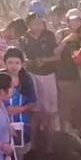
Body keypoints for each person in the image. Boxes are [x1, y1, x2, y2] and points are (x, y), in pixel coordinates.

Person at [19, 12, 58, 152]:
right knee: (34, 111)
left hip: (49, 75)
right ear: (28, 24)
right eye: (35, 23)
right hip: (32, 76)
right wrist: (31, 62)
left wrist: (44, 60)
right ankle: (32, 144)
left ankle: (50, 145)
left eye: (41, 23)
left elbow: (57, 56)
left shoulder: (49, 35)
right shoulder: (23, 39)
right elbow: (22, 59)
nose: (39, 26)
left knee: (50, 112)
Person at [55, 8, 81, 136]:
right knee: (65, 104)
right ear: (67, 21)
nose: (75, 23)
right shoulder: (61, 33)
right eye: (72, 20)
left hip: (80, 74)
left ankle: (79, 130)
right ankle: (65, 132)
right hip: (64, 73)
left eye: (78, 20)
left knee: (80, 103)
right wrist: (66, 40)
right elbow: (55, 52)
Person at [1, 47, 36, 160]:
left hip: (22, 125)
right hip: (1, 125)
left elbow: (33, 102)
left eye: (17, 63)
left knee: (19, 157)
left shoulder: (27, 79)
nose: (14, 66)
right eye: (10, 62)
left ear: (22, 64)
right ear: (5, 63)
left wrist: (20, 109)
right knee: (2, 156)